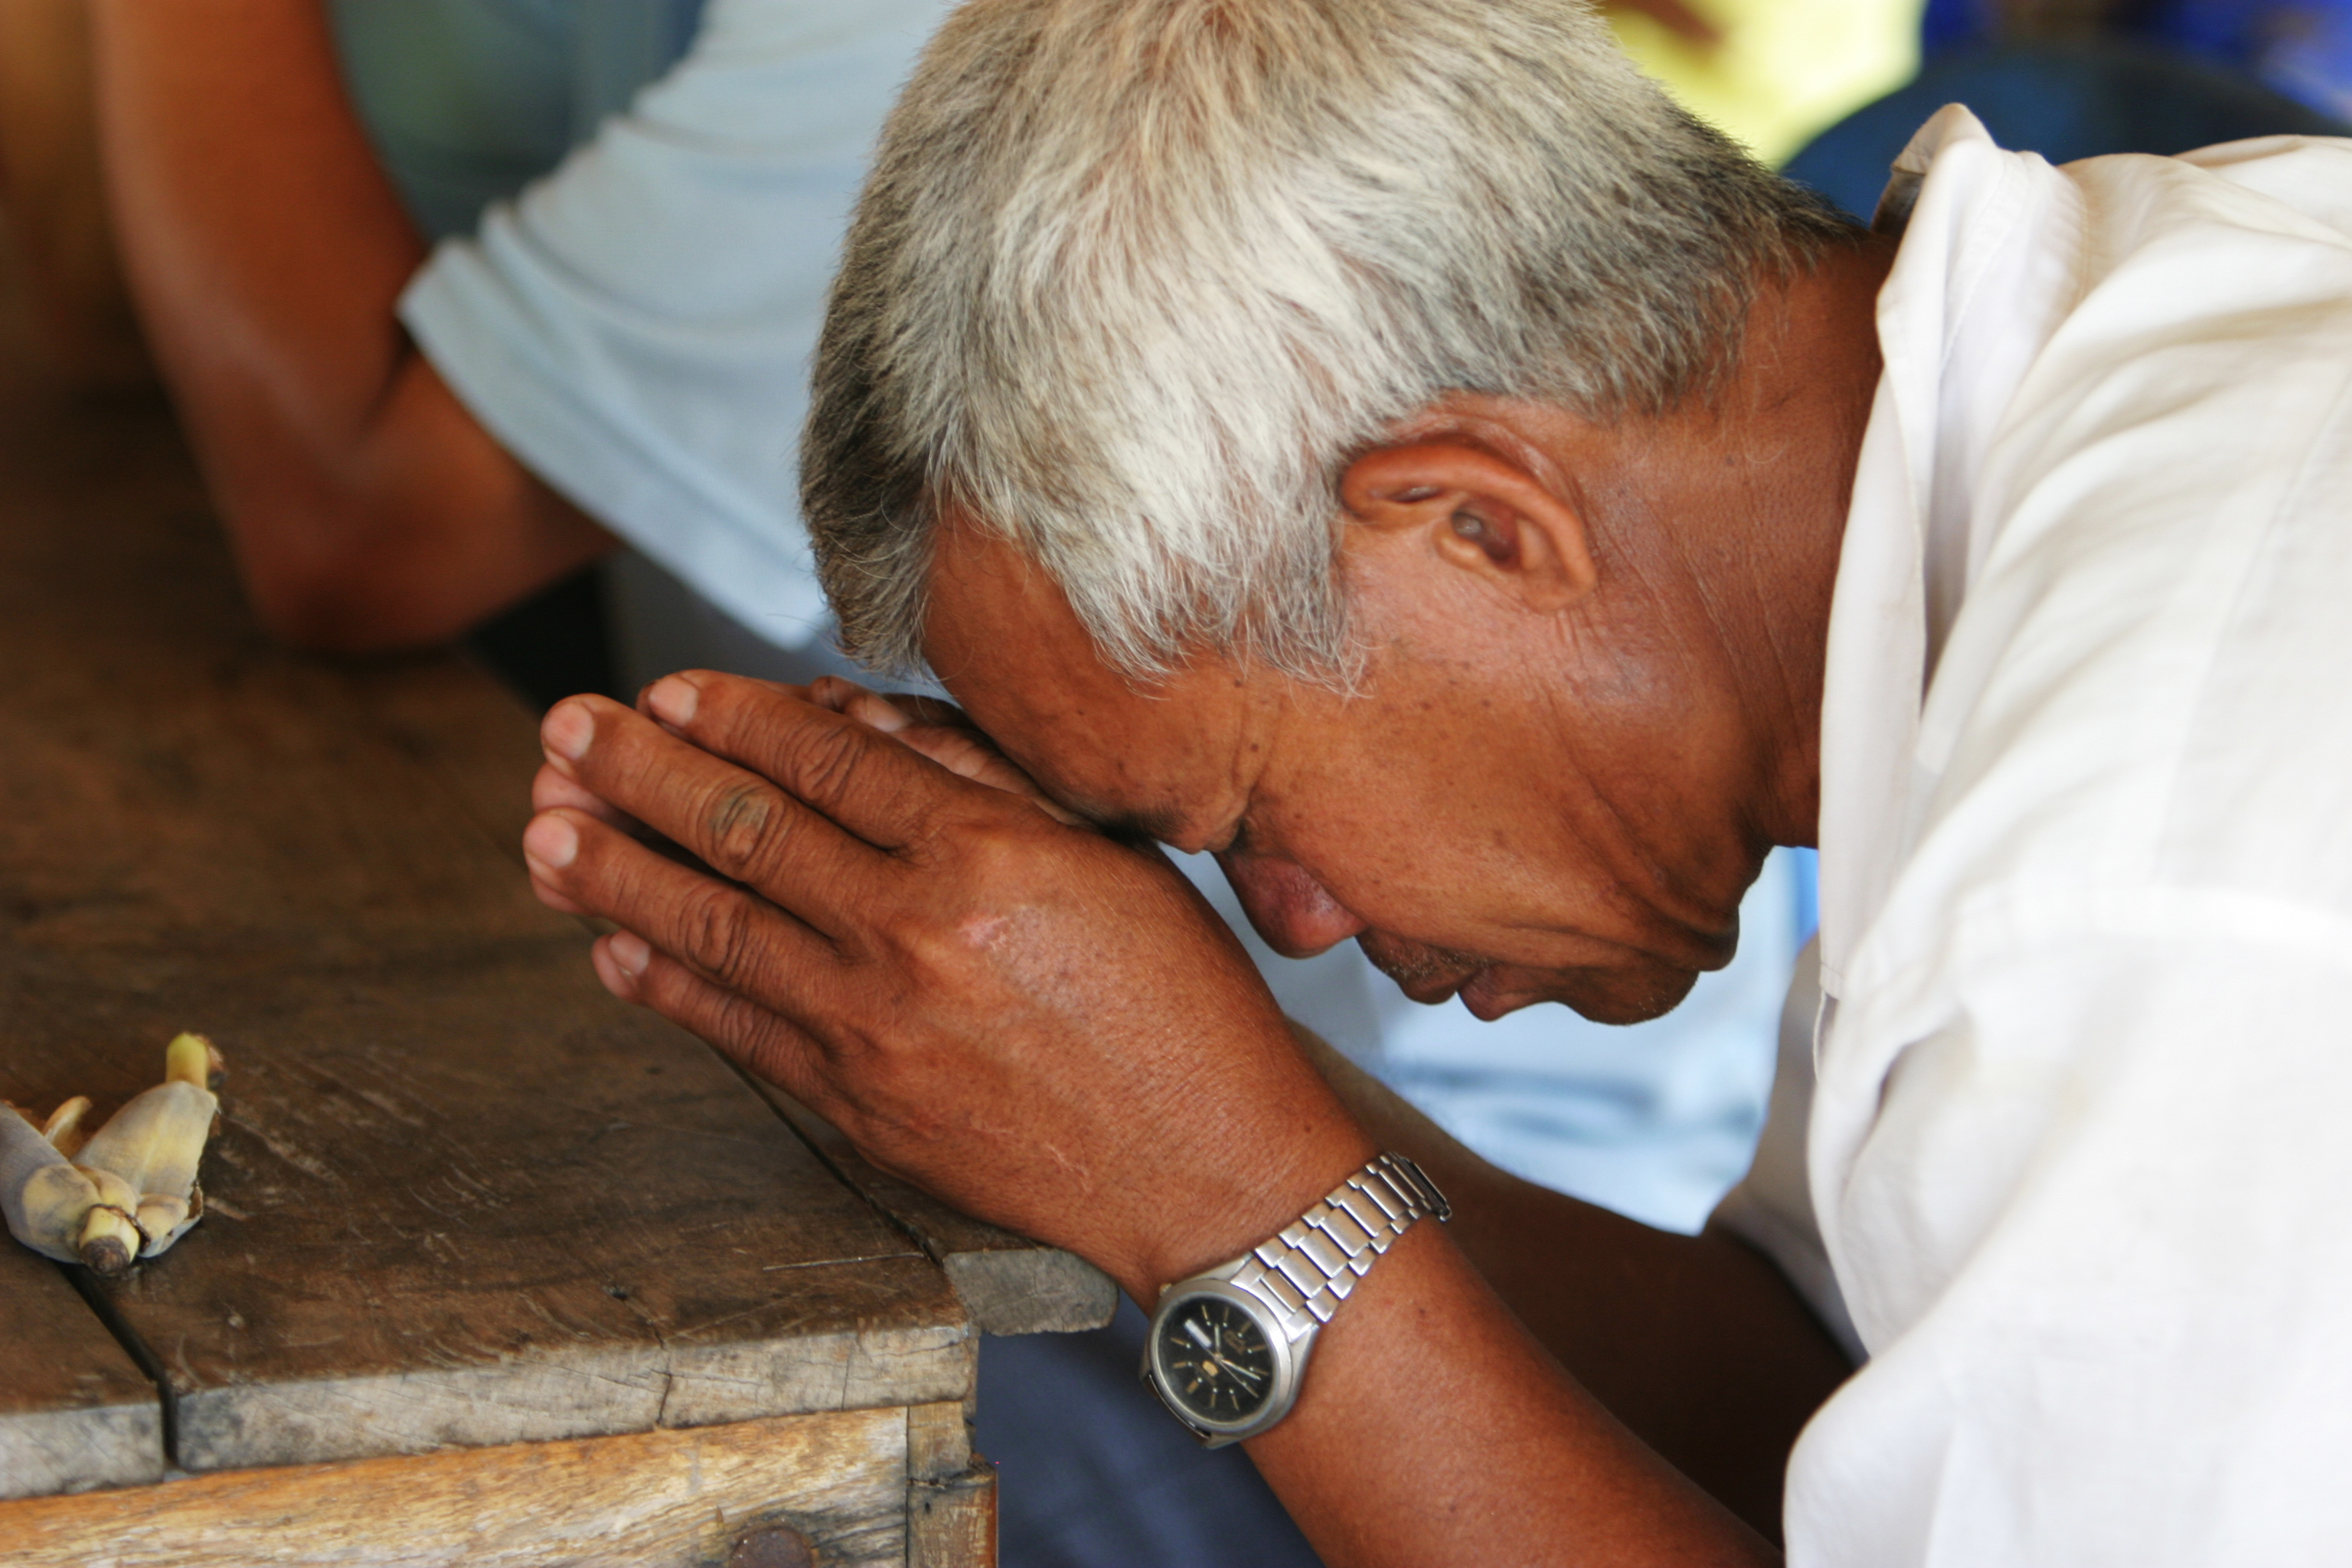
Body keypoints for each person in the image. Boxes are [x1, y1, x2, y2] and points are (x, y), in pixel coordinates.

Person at [515, 0, 2352, 1561]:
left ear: (1478, 519)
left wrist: (1235, 1205)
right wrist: (1164, 1077)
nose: (1303, 917)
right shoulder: (2089, 379)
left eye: (1244, 821)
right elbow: (1817, 1396)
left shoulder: (2138, 848)